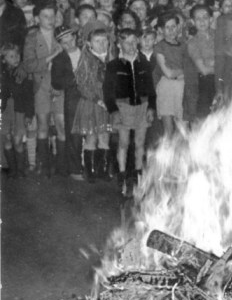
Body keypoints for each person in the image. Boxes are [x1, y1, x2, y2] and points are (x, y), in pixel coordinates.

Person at [104, 28, 156, 195]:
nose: (132, 45)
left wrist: (151, 107)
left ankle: (138, 174)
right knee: (124, 142)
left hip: (142, 105)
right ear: (119, 44)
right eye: (127, 42)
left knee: (140, 143)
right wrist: (113, 110)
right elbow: (108, 91)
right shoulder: (113, 65)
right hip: (123, 107)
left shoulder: (144, 63)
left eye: (134, 42)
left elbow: (151, 88)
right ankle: (122, 174)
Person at [23, 4, 61, 176]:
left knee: (61, 125)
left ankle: (62, 165)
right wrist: (52, 56)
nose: (50, 20)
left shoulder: (61, 35)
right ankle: (43, 164)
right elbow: (29, 65)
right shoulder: (31, 38)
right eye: (45, 16)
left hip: (59, 86)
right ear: (37, 18)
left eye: (52, 16)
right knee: (43, 125)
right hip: (41, 86)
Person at [72, 28, 111, 181]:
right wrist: (98, 100)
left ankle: (102, 170)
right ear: (89, 44)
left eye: (104, 41)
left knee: (105, 136)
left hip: (107, 103)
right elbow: (82, 85)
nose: (101, 44)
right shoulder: (86, 59)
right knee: (91, 137)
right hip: (92, 103)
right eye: (97, 41)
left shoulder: (110, 59)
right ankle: (90, 171)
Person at [51, 26, 84, 180]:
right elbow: (56, 82)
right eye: (65, 43)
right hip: (72, 97)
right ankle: (74, 169)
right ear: (59, 44)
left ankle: (91, 167)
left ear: (75, 37)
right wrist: (74, 80)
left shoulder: (86, 52)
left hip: (90, 95)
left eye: (71, 40)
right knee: (74, 133)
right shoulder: (59, 58)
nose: (70, 44)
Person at [1, 42, 34, 177]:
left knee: (17, 140)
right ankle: (12, 169)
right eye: (11, 56)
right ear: (4, 59)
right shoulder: (3, 74)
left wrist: (29, 114)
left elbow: (29, 96)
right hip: (6, 111)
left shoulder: (23, 73)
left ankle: (20, 170)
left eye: (17, 56)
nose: (15, 59)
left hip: (19, 110)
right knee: (7, 139)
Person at [154, 12, 187, 137]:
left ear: (178, 27)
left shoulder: (184, 45)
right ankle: (168, 155)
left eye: (173, 26)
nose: (171, 30)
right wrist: (182, 71)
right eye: (167, 27)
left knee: (183, 128)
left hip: (183, 86)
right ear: (161, 30)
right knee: (169, 130)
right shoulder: (159, 47)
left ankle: (183, 156)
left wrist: (180, 72)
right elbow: (168, 73)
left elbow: (190, 67)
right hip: (167, 88)